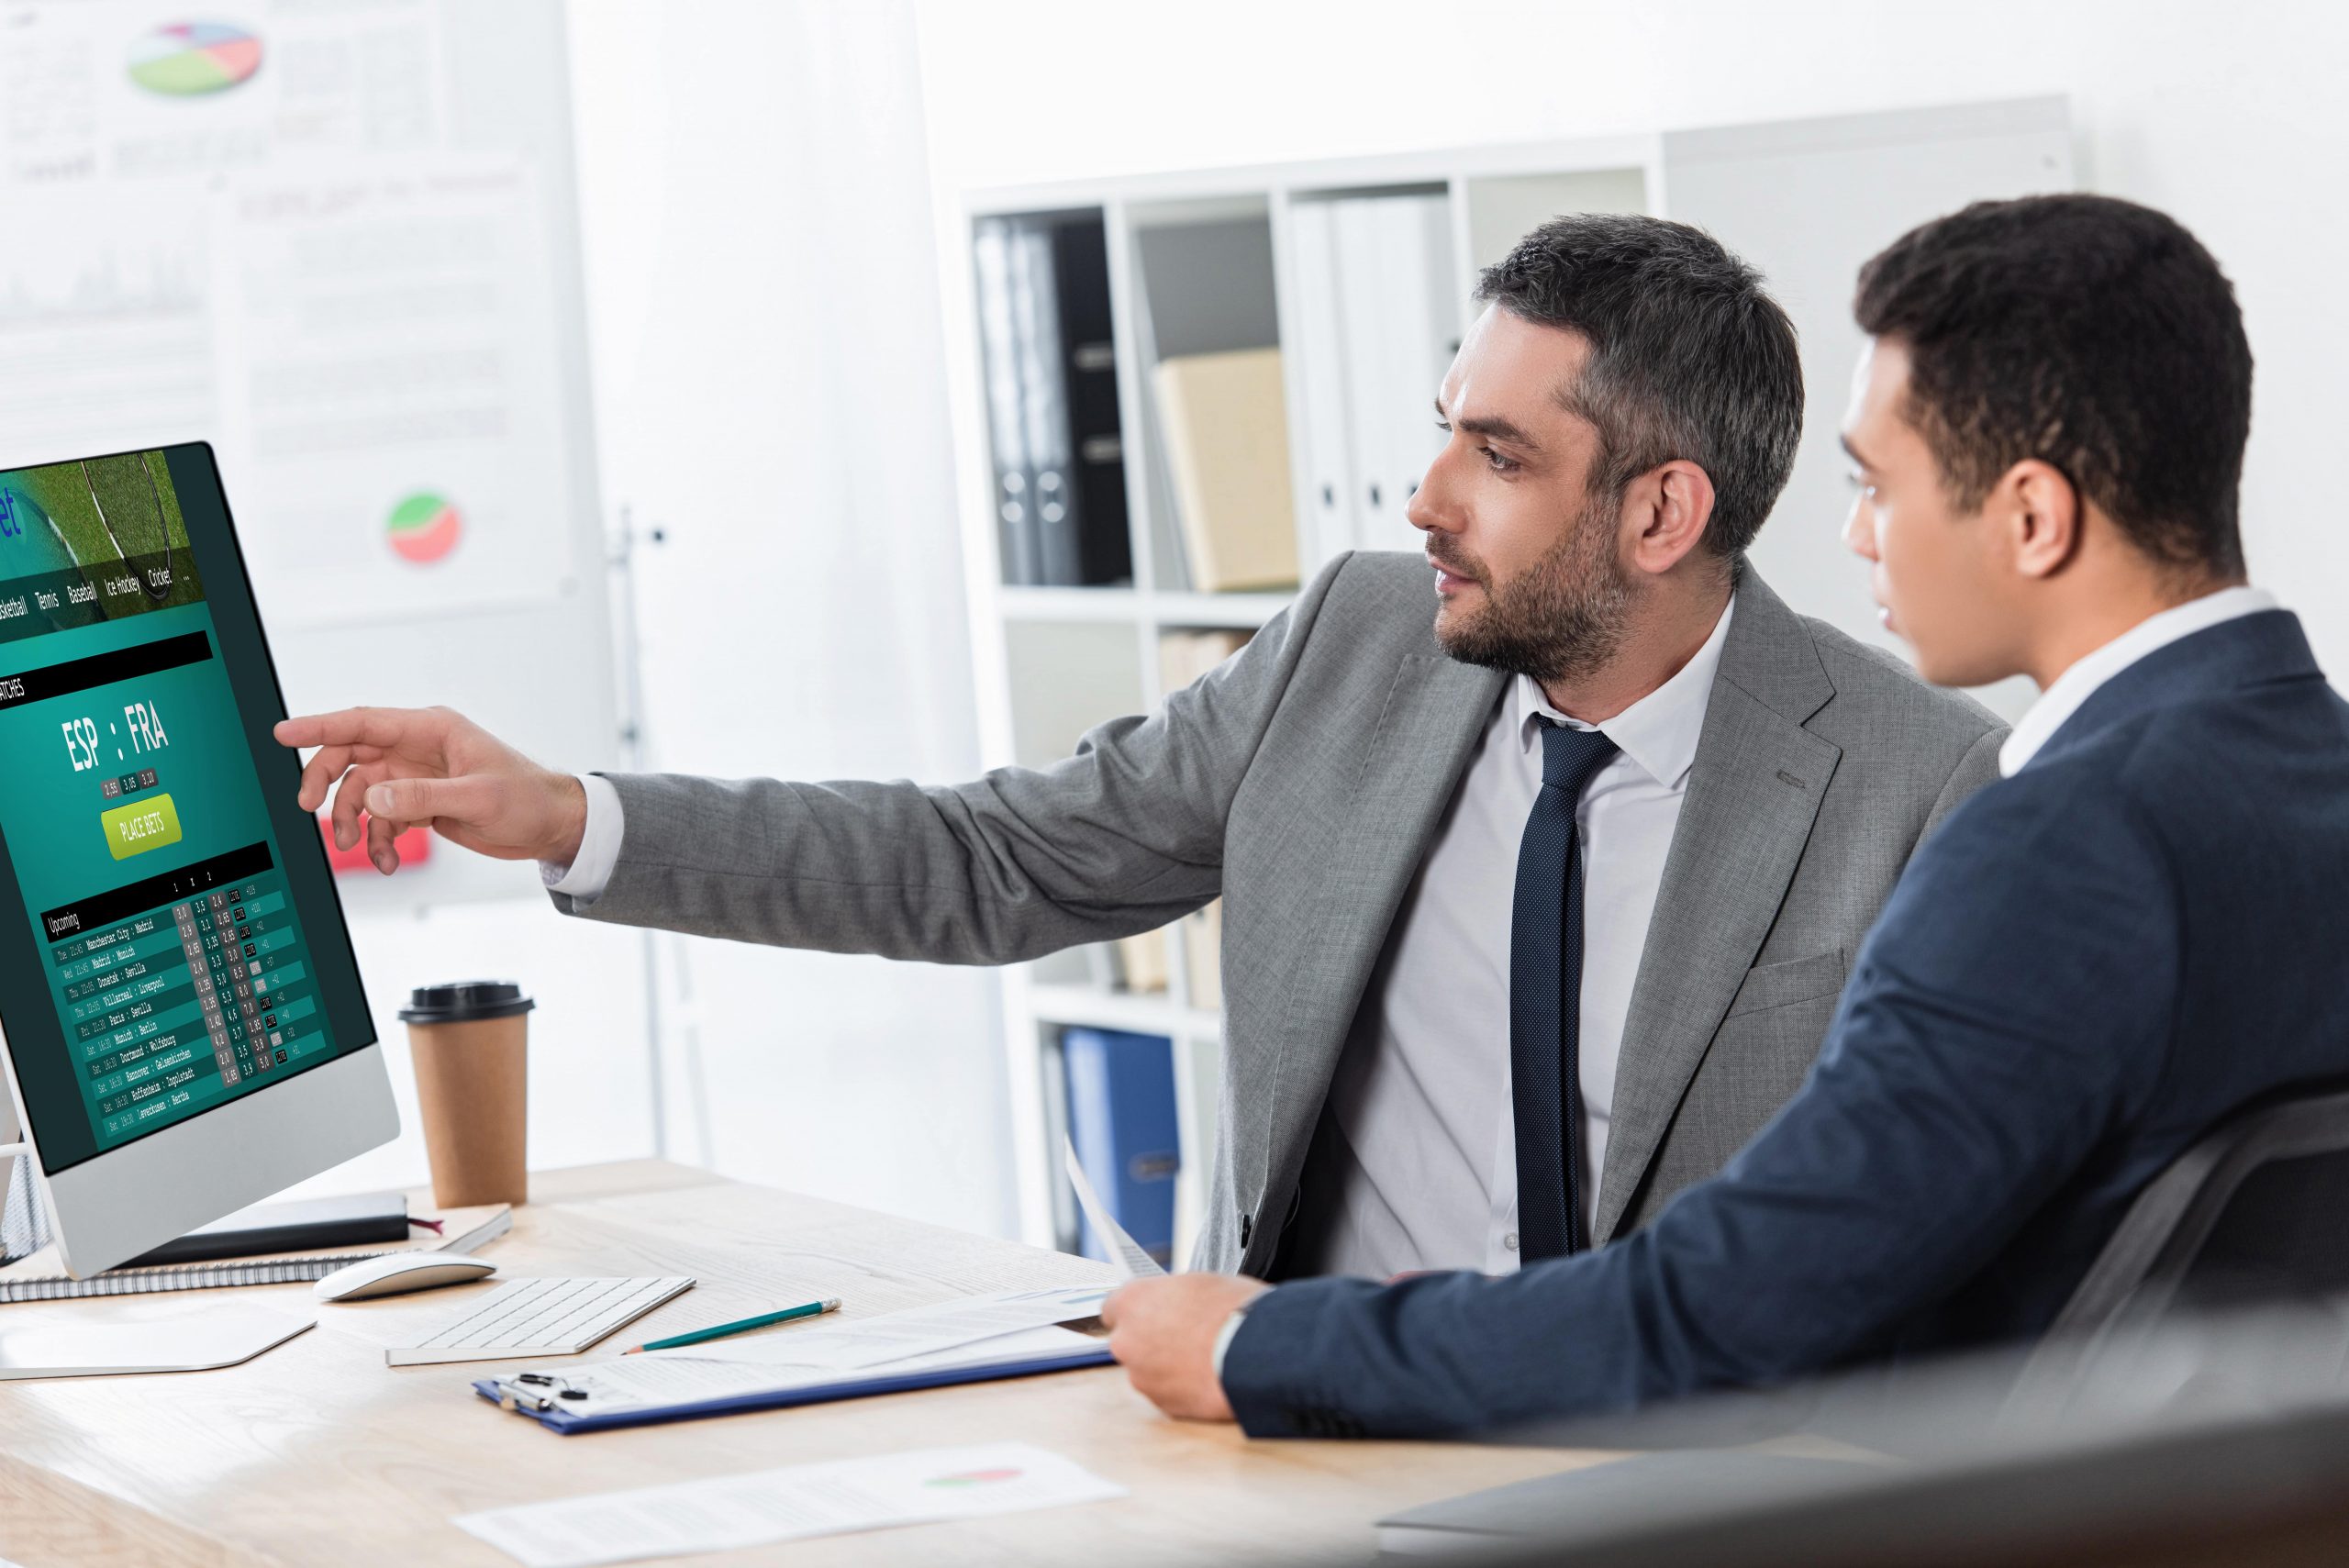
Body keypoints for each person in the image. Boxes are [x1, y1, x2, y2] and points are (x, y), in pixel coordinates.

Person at [275, 216, 1998, 1306]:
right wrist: (572, 813)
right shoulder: (1356, 643)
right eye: (1441, 427)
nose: (1422, 500)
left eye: (1495, 455)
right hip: (1301, 1440)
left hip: (1672, 1490)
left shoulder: (1915, 782)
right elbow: (995, 858)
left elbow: (1937, 1257)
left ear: (1661, 510)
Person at [1098, 191, 2349, 1440]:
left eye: (1876, 484)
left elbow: (1737, 1304)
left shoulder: (2054, 845)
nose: (1855, 533)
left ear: (2031, 516)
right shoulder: (2305, 778)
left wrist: (1267, 1342)